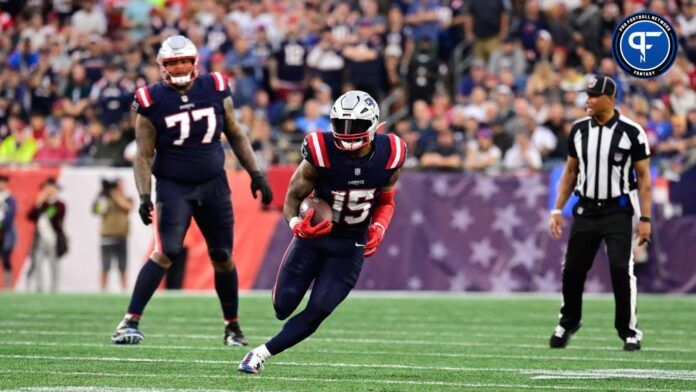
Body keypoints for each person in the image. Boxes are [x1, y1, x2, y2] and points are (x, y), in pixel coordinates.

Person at [111, 35, 273, 346]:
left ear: (195, 62)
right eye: (173, 63)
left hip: (214, 184)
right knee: (167, 250)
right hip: (174, 186)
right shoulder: (151, 99)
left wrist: (256, 173)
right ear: (162, 67)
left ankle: (233, 328)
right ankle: (129, 321)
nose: (180, 67)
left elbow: (235, 133)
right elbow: (144, 154)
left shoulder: (214, 86)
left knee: (223, 255)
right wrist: (144, 195)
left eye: (184, 61)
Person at [238, 90, 406, 374]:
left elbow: (386, 200)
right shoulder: (320, 149)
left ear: (374, 125)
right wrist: (296, 226)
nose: (347, 133)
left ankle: (259, 354)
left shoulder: (391, 154)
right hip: (313, 239)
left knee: (320, 309)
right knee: (283, 306)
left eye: (355, 126)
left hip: (350, 245)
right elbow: (291, 198)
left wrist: (379, 226)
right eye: (341, 124)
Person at [548, 75, 652, 352]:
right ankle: (568, 321)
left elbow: (643, 178)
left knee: (621, 269)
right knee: (572, 269)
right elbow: (571, 171)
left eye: (594, 95)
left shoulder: (632, 132)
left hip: (617, 209)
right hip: (585, 209)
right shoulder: (579, 129)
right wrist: (558, 208)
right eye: (587, 95)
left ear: (610, 98)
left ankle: (629, 331)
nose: (588, 100)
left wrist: (645, 219)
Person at [27, 178, 68, 293]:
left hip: (53, 238)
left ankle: (54, 287)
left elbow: (57, 216)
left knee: (54, 264)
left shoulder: (60, 204)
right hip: (40, 238)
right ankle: (39, 286)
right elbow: (30, 216)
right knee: (38, 263)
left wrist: (48, 204)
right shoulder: (41, 204)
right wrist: (38, 203)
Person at [92, 178, 133, 292]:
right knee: (105, 267)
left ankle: (124, 290)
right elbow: (97, 211)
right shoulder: (105, 199)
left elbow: (128, 207)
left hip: (121, 236)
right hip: (107, 236)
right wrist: (100, 195)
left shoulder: (126, 198)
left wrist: (114, 195)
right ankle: (103, 291)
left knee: (123, 267)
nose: (119, 188)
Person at [0, 175, 17, 290]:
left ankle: (8, 285)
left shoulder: (10, 199)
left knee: (6, 258)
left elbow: (10, 216)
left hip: (6, 234)